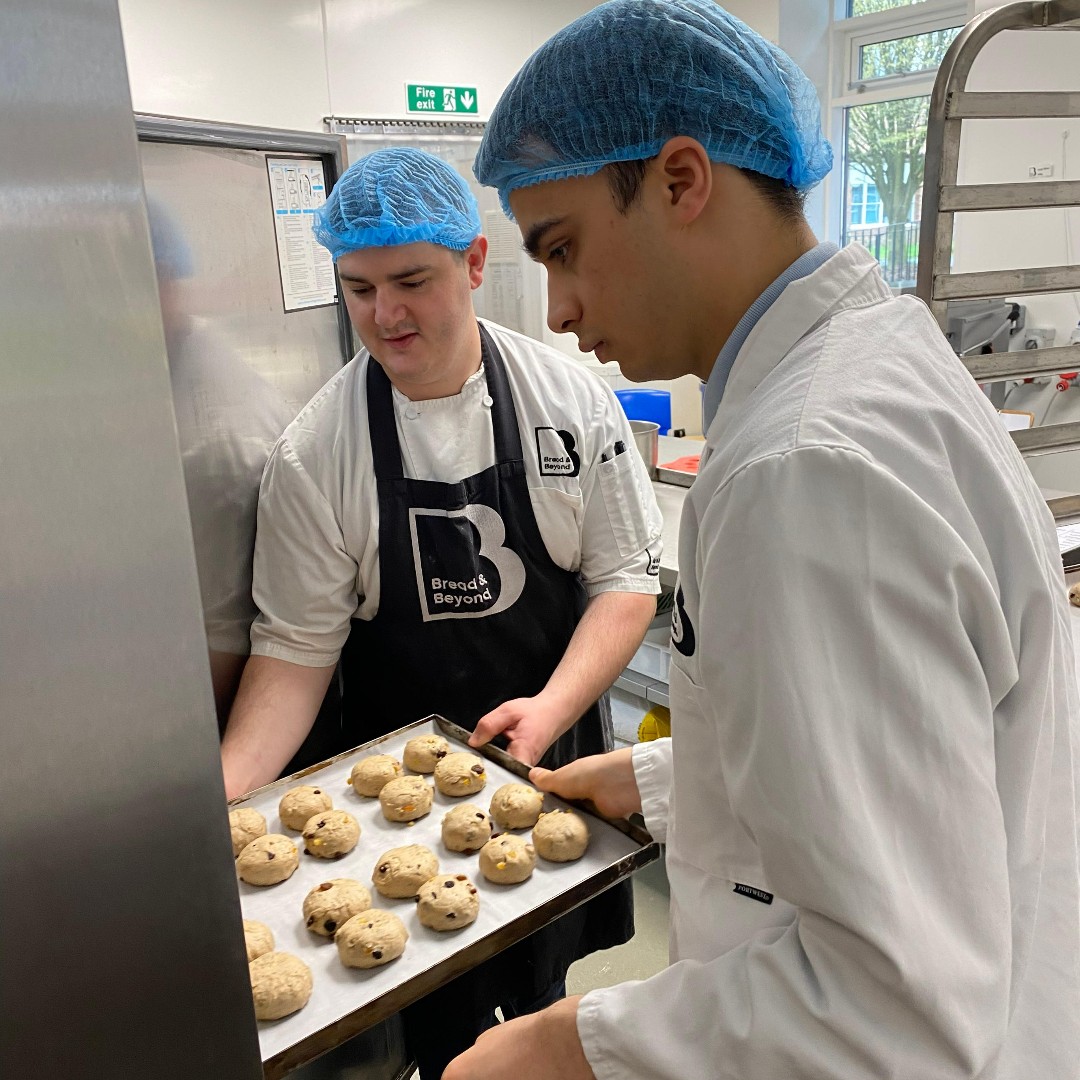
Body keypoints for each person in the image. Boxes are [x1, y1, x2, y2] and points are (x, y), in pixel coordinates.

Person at [446, 1, 1080, 1077]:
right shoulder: (876, 361)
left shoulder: (805, 469)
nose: (556, 308)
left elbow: (894, 1016)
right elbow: (909, 761)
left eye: (564, 248)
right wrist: (666, 785)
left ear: (683, 181)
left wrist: (566, 1045)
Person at [219, 146, 663, 1078]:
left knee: (540, 989)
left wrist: (549, 711)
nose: (386, 315)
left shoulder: (570, 400)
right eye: (360, 287)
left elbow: (625, 582)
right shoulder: (318, 452)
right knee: (431, 1019)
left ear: (471, 263)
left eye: (411, 280)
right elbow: (295, 651)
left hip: (552, 757)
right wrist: (219, 800)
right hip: (395, 807)